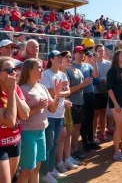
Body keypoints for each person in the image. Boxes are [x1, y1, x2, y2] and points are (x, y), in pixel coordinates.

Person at [17, 59, 62, 183]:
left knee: (36, 169)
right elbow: (22, 116)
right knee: (26, 171)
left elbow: (52, 109)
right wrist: (38, 107)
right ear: (29, 70)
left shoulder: (41, 87)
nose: (42, 69)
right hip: (27, 134)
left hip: (41, 132)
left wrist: (57, 94)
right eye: (39, 67)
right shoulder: (22, 89)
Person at [39, 51, 71, 182]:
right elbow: (48, 91)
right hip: (50, 114)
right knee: (49, 144)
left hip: (60, 113)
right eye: (58, 56)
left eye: (61, 57)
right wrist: (59, 92)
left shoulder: (62, 74)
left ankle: (51, 169)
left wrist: (59, 93)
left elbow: (68, 91)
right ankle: (45, 173)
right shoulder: (46, 74)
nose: (61, 58)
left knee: (55, 143)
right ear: (51, 59)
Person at [0, 57, 29, 183]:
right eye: (10, 70)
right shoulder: (12, 90)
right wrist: (11, 92)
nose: (14, 73)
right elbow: (10, 122)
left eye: (15, 69)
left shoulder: (15, 88)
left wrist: (13, 91)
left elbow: (25, 114)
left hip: (15, 142)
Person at [72, 46, 99, 152]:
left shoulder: (87, 65)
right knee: (82, 120)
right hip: (80, 95)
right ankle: (84, 142)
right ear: (74, 54)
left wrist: (95, 62)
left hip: (90, 93)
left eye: (83, 53)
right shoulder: (71, 66)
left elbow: (95, 75)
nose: (82, 54)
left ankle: (90, 141)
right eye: (79, 52)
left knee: (90, 118)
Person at [93, 44, 111, 143]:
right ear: (95, 51)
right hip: (96, 91)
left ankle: (103, 133)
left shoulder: (108, 63)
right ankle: (94, 134)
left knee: (103, 113)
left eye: (102, 50)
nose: (100, 52)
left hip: (105, 91)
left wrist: (106, 80)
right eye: (99, 50)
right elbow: (93, 77)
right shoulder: (92, 63)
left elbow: (111, 76)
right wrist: (100, 80)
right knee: (95, 114)